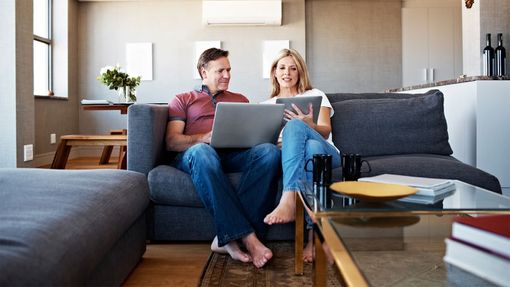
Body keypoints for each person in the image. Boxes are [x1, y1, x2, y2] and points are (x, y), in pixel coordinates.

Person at [166, 48, 280, 268]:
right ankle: (248, 238)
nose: (227, 75)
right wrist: (202, 138)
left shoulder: (240, 99)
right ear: (203, 72)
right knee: (202, 152)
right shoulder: (183, 99)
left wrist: (262, 137)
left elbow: (253, 135)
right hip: (197, 155)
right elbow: (172, 141)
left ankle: (227, 238)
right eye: (220, 71)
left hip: (234, 154)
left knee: (269, 152)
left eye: (229, 70)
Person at [262, 48, 341, 262]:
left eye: (293, 68)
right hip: (299, 155)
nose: (287, 72)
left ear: (300, 72)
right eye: (282, 67)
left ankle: (289, 197)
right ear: (275, 72)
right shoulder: (265, 106)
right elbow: (262, 143)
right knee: (310, 151)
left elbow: (326, 131)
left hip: (327, 153)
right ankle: (313, 236)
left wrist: (309, 124)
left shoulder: (315, 95)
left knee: (307, 138)